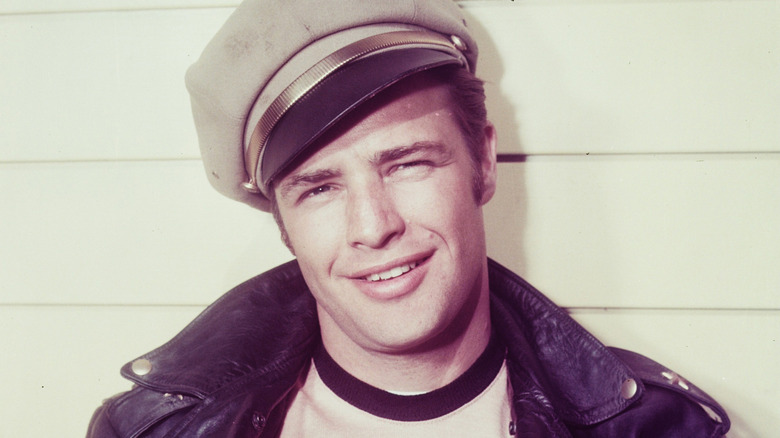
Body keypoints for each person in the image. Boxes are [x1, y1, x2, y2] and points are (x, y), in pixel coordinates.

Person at [87, 0, 730, 436]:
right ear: (282, 221)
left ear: (481, 160)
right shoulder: (149, 429)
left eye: (407, 163)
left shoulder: (652, 427)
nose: (373, 226)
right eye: (319, 188)